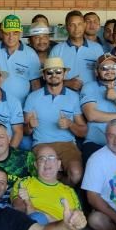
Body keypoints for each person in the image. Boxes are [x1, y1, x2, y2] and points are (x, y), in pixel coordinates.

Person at [23, 57, 86, 185]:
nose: (54, 75)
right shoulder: (33, 97)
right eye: (49, 72)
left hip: (67, 145)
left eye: (58, 71)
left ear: (64, 74)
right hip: (42, 144)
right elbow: (24, 131)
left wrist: (70, 124)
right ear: (44, 75)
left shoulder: (73, 97)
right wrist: (30, 125)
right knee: (45, 175)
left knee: (76, 174)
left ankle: (61, 190)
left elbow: (83, 131)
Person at [0, 14, 41, 105]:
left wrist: (35, 106)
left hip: (21, 105)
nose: (11, 37)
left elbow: (35, 84)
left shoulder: (31, 54)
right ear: (1, 33)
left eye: (15, 33)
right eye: (7, 33)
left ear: (20, 34)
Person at [47, 10, 103, 90]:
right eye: (72, 25)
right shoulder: (57, 50)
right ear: (66, 27)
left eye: (79, 24)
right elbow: (49, 77)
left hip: (91, 97)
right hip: (65, 97)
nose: (76, 28)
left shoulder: (97, 48)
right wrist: (67, 83)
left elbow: (104, 75)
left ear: (84, 25)